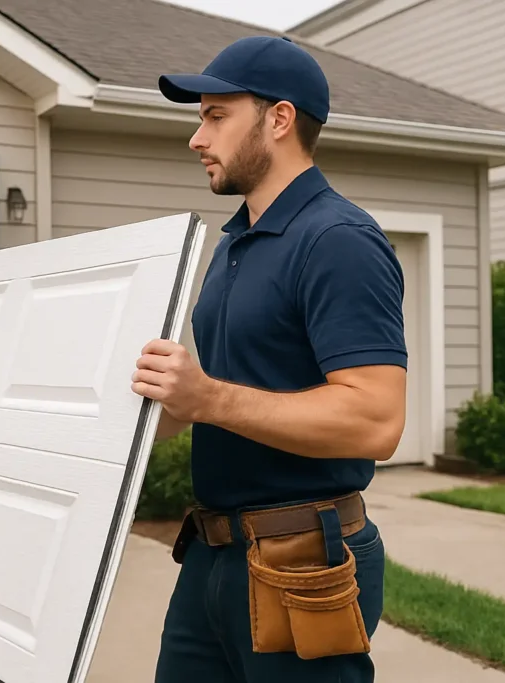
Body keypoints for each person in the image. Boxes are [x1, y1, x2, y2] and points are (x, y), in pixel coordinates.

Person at [130, 35, 407, 683]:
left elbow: (376, 422)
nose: (197, 138)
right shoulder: (235, 247)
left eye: (216, 115)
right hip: (210, 553)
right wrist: (162, 406)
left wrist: (208, 398)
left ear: (279, 119)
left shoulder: (339, 241)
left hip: (302, 560)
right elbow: (214, 398)